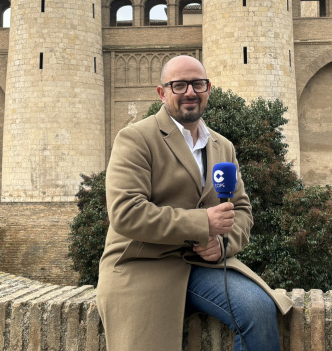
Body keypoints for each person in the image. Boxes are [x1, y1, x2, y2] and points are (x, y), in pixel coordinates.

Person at [95, 55, 292, 350]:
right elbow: (126, 213)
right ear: (162, 93)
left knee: (258, 309)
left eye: (198, 84)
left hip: (202, 266)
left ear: (208, 89)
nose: (190, 92)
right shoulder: (136, 138)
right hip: (144, 264)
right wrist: (203, 224)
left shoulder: (222, 146)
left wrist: (222, 244)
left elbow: (241, 210)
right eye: (179, 85)